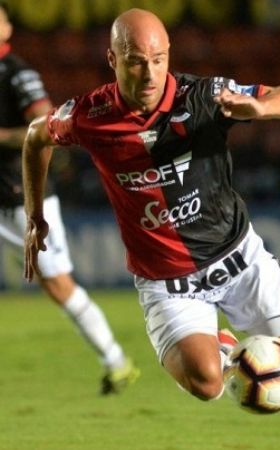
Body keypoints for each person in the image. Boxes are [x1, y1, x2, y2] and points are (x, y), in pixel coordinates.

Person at [22, 8, 280, 449]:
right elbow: (35, 137)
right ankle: (220, 348)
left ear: (169, 54)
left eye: (159, 58)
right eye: (136, 61)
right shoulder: (91, 115)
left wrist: (261, 108)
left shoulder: (203, 96)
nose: (150, 72)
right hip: (167, 280)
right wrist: (35, 215)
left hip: (238, 259)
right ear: (113, 60)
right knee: (207, 384)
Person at [0, 1, 139, 395]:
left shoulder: (16, 73)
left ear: (8, 29)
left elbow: (42, 125)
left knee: (58, 283)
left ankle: (116, 361)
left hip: (19, 196)